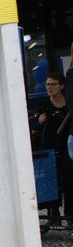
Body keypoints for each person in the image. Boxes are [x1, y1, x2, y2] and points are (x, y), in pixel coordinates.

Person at [31, 71, 73, 218]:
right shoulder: (44, 104)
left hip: (65, 147)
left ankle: (69, 215)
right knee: (50, 182)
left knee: (69, 180)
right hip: (48, 147)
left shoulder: (69, 104)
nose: (49, 87)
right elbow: (34, 127)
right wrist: (39, 122)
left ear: (62, 86)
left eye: (53, 84)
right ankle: (54, 215)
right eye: (47, 84)